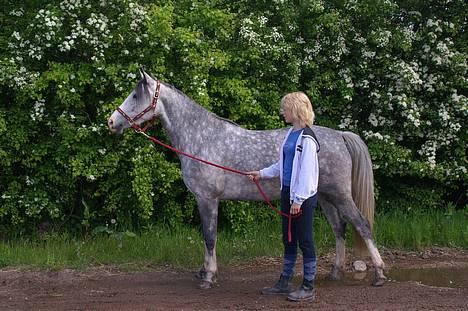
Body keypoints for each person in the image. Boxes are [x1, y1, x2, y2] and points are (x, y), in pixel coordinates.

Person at [247, 91, 319, 302]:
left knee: (305, 240)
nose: (282, 112)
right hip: (288, 193)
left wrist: (298, 200)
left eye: (285, 108)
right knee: (288, 239)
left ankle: (308, 286)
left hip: (301, 197)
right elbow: (283, 164)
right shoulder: (291, 134)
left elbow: (307, 172)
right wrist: (261, 173)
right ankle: (284, 282)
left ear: (295, 110)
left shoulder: (307, 139)